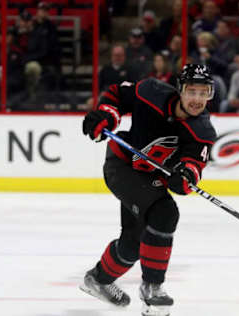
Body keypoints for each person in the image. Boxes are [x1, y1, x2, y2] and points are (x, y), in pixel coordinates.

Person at [80, 64, 216, 316]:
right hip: (122, 165)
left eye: (203, 93)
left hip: (151, 178)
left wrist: (185, 176)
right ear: (180, 90)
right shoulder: (151, 92)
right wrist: (106, 116)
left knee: (133, 244)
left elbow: (194, 165)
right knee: (165, 212)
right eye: (192, 91)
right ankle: (153, 289)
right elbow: (117, 96)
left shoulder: (202, 130)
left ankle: (97, 280)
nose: (197, 99)